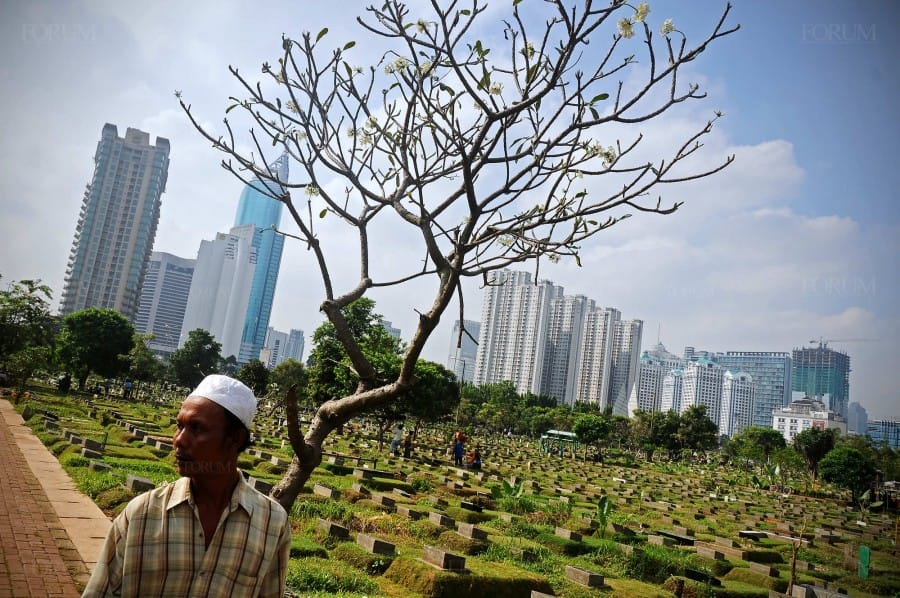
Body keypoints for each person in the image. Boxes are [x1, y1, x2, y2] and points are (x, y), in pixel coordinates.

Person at [82, 374, 291, 598]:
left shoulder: (272, 523)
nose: (179, 440)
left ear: (235, 439)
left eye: (196, 428)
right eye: (179, 426)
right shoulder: (141, 514)